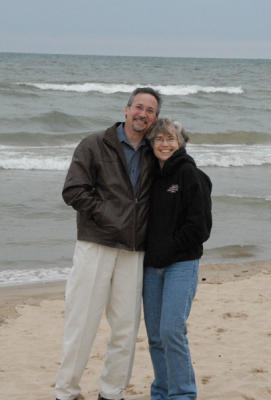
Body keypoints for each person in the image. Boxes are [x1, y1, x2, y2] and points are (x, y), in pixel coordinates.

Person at [55, 87, 162, 400]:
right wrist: (111, 217)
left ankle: (112, 392)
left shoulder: (155, 152)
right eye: (138, 107)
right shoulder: (93, 144)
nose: (143, 114)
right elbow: (73, 191)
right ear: (125, 109)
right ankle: (66, 391)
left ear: (155, 118)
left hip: (134, 251)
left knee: (126, 328)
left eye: (150, 110)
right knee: (82, 322)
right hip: (96, 244)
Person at [143, 118, 212, 400]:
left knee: (172, 332)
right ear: (151, 144)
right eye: (158, 139)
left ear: (181, 142)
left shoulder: (190, 175)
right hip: (150, 268)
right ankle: (162, 391)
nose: (165, 143)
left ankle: (183, 394)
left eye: (170, 138)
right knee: (156, 337)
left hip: (181, 265)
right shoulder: (149, 175)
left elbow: (200, 228)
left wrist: (168, 250)